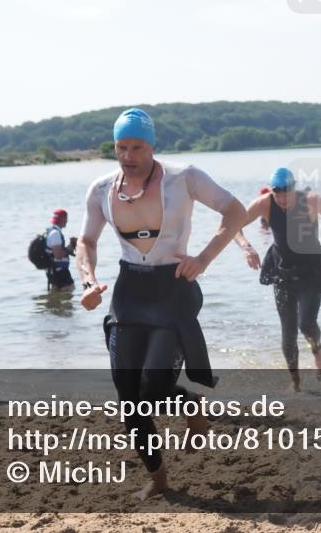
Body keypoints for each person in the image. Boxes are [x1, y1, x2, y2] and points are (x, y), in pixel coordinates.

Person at [76, 108, 247, 498]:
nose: (128, 155)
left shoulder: (184, 178)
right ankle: (158, 477)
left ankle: (193, 409)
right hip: (129, 292)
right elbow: (85, 242)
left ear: (152, 146)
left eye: (137, 147)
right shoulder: (101, 189)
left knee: (154, 386)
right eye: (121, 147)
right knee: (128, 395)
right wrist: (87, 281)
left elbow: (235, 212)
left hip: (173, 288)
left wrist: (203, 258)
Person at [234, 168, 321, 391]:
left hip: (311, 271)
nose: (283, 198)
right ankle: (296, 384)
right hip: (282, 272)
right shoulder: (264, 204)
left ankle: (317, 350)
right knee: (288, 335)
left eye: (287, 192)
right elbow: (232, 225)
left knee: (306, 324)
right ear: (272, 191)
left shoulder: (312, 201)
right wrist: (247, 248)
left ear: (294, 189)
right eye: (278, 193)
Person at [44, 209, 76, 288]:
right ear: (63, 219)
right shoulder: (55, 233)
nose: (67, 221)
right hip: (59, 271)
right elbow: (57, 255)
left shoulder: (50, 231)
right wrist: (70, 248)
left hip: (53, 270)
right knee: (70, 290)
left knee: (56, 294)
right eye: (66, 219)